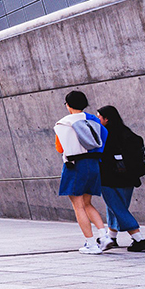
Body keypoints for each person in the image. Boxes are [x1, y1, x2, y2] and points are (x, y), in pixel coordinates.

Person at [55, 90, 112, 254]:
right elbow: (104, 136)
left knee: (78, 206)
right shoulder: (93, 120)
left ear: (68, 105)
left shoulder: (63, 123)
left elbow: (60, 148)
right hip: (93, 164)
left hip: (75, 165)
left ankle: (91, 244)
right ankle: (104, 235)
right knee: (87, 203)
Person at [97, 105, 145, 252]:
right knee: (115, 207)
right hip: (129, 178)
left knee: (117, 208)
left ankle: (139, 239)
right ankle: (112, 237)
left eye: (99, 116)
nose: (97, 119)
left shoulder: (106, 135)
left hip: (109, 178)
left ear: (107, 119)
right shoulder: (127, 132)